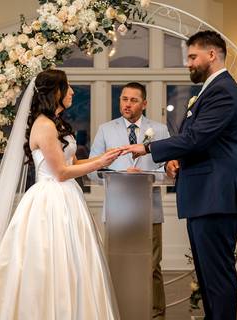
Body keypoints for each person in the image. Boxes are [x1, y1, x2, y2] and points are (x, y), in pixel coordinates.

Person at [0, 69, 122, 319]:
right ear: (55, 92)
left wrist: (109, 156)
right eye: (67, 87)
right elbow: (61, 173)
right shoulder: (44, 126)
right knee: (47, 261)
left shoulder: (57, 124)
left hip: (68, 199)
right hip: (50, 201)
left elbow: (74, 162)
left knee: (73, 262)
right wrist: (100, 164)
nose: (72, 92)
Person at [122, 30, 237, 320]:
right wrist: (178, 157)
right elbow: (200, 140)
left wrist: (147, 147)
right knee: (208, 276)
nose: (188, 63)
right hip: (205, 195)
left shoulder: (223, 91)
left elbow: (197, 138)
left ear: (212, 54)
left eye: (193, 56)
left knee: (217, 277)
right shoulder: (211, 90)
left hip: (215, 195)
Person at [88, 82, 170, 319]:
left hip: (149, 211)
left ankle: (156, 315)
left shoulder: (160, 130)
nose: (127, 104)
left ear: (144, 104)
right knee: (117, 265)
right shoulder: (106, 129)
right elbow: (93, 170)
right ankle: (116, 312)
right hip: (116, 212)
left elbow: (170, 169)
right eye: (124, 99)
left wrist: (147, 176)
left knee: (152, 266)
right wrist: (118, 176)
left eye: (134, 100)